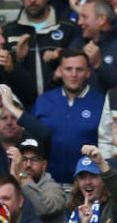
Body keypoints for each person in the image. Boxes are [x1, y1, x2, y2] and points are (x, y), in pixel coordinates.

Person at [32, 49, 105, 184]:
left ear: (88, 72)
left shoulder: (101, 102)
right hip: (47, 185)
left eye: (79, 70)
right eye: (68, 69)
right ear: (59, 71)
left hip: (87, 185)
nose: (73, 75)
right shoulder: (44, 101)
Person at [4, 0, 78, 98]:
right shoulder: (9, 31)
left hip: (62, 101)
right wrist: (18, 60)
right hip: (21, 105)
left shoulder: (67, 28)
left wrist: (58, 59)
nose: (32, 0)